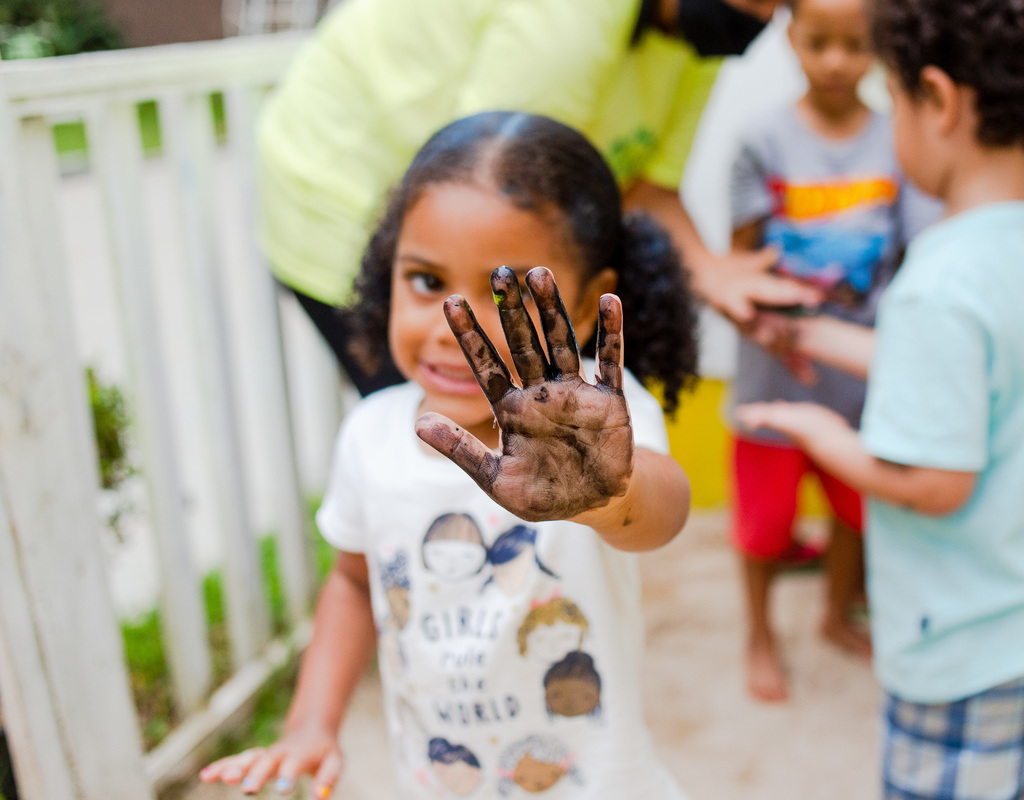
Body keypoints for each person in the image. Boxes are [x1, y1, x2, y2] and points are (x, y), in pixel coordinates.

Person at [200, 111, 698, 799]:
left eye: (505, 295)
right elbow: (353, 583)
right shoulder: (371, 435)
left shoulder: (596, 424)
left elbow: (662, 515)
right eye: (427, 281)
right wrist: (312, 722)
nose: (452, 327)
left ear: (584, 305)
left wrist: (609, 495)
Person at [738, 0, 1024, 796]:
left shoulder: (940, 280)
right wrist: (814, 335)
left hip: (975, 636)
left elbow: (932, 481)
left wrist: (818, 432)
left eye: (894, 95)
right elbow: (968, 375)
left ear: (940, 101)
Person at [260, 0, 801, 395]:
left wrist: (714, 272)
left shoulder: (696, 37)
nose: (771, 11)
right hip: (342, 181)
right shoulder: (570, 20)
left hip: (475, 204)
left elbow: (644, 183)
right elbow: (488, 185)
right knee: (447, 412)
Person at [725, 0, 940, 700]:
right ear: (791, 38)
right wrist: (768, 326)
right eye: (819, 43)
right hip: (771, 386)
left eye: (855, 44)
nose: (837, 61)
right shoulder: (761, 139)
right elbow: (739, 267)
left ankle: (836, 612)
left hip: (863, 386)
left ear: (879, 45)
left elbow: (918, 257)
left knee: (857, 512)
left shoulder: (898, 142)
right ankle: (759, 635)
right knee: (763, 527)